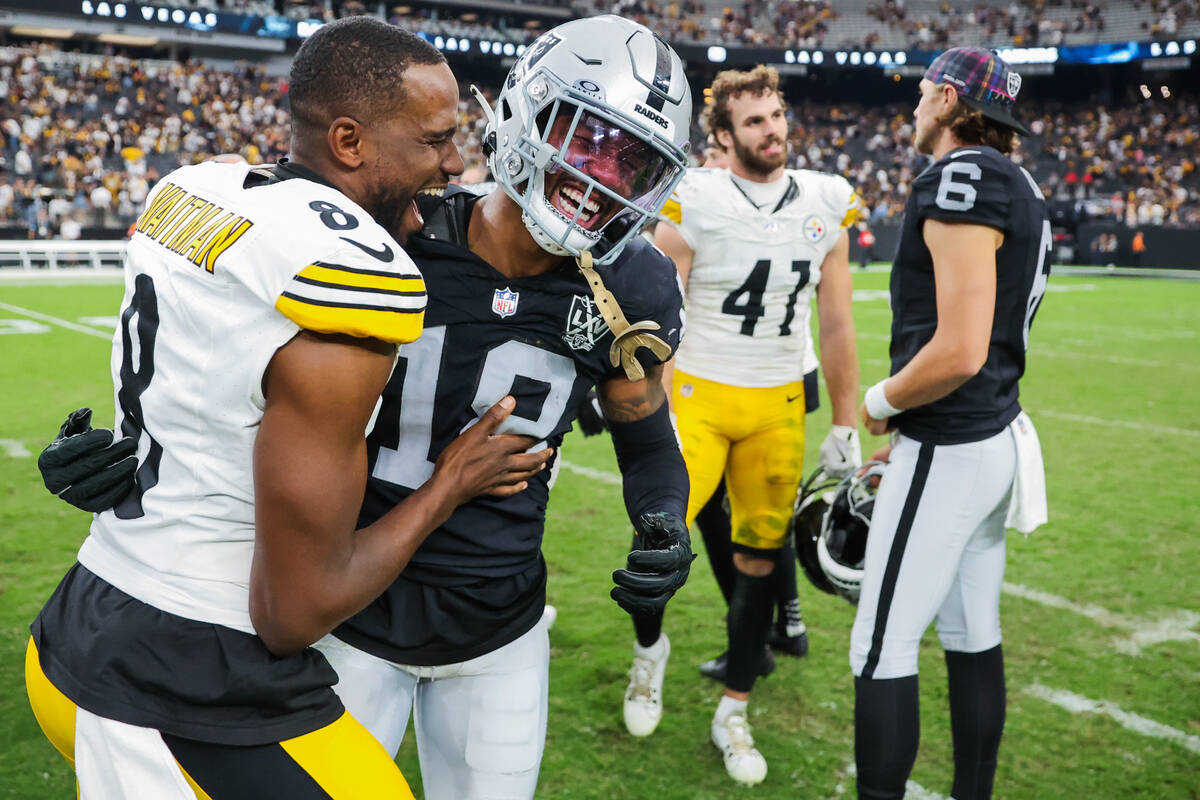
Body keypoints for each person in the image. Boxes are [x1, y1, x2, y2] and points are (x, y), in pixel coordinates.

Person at [38, 16, 696, 800]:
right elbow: (222, 368)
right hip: (350, 616)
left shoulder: (635, 287)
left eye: (634, 160)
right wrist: (128, 453)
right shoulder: (386, 235)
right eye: (590, 143)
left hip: (497, 622)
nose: (602, 178)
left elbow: (647, 437)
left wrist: (662, 517)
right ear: (533, 112)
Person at [652, 64, 862, 786]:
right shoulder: (696, 195)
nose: (772, 130)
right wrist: (656, 405)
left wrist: (843, 420)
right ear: (723, 135)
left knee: (759, 562)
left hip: (776, 402)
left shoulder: (827, 199)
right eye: (754, 121)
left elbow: (835, 323)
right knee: (658, 545)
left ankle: (735, 707)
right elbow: (659, 304)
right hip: (702, 398)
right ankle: (650, 652)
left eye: (775, 115)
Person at [853, 47, 1050, 800]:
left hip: (952, 443)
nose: (912, 109)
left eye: (921, 94)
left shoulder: (961, 177)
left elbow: (961, 349)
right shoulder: (1018, 180)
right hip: (995, 436)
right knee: (973, 635)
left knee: (881, 646)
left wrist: (882, 401)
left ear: (944, 99)